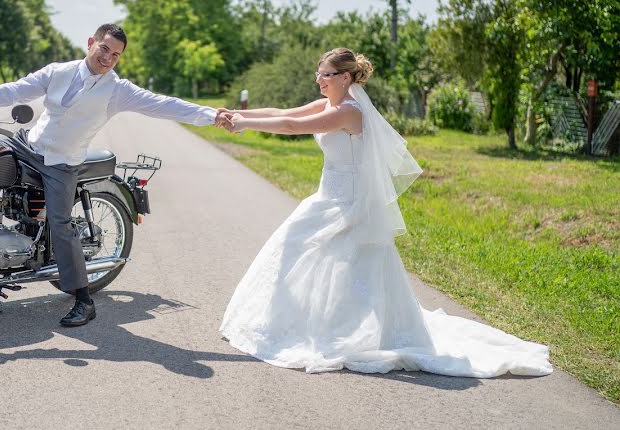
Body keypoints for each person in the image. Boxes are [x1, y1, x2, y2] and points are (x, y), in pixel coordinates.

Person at [218, 48, 552, 377]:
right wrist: (235, 112)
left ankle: (349, 332)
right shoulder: (329, 103)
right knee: (297, 251)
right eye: (318, 74)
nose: (319, 80)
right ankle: (308, 324)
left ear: (345, 77)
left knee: (335, 262)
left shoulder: (349, 113)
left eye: (325, 75)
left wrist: (243, 123)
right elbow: (281, 112)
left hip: (348, 204)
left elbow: (293, 126)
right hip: (326, 197)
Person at [0, 24, 231, 327]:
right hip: (29, 144)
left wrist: (210, 115)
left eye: (116, 55)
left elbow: (163, 104)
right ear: (90, 43)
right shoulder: (58, 71)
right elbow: (15, 89)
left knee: (61, 223)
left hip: (61, 163)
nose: (108, 58)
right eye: (104, 48)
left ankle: (83, 300)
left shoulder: (117, 91)